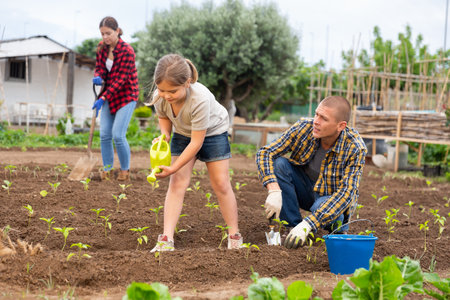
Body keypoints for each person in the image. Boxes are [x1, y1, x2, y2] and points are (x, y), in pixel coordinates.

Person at [148, 54, 243, 252]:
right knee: (177, 183)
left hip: (213, 132)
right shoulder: (160, 95)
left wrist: (173, 167)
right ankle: (166, 238)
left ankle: (234, 234)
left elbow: (196, 143)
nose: (166, 95)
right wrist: (165, 135)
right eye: (162, 90)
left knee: (221, 183)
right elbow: (164, 116)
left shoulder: (199, 99)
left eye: (172, 91)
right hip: (183, 133)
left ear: (188, 83)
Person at [256, 96, 367, 249]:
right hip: (305, 190)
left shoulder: (355, 147)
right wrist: (273, 188)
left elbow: (346, 194)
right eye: (316, 114)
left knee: (322, 208)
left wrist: (308, 224)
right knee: (280, 164)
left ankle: (335, 231)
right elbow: (265, 152)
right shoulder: (304, 128)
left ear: (340, 126)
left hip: (329, 200)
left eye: (324, 119)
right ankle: (292, 229)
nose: (316, 121)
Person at [92, 16, 139, 181]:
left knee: (118, 135)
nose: (105, 37)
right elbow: (99, 68)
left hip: (126, 95)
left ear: (117, 31)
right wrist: (98, 76)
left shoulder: (127, 51)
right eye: (102, 34)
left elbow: (120, 80)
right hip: (108, 95)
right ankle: (107, 170)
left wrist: (103, 97)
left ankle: (125, 171)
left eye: (108, 33)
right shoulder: (102, 48)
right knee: (105, 134)